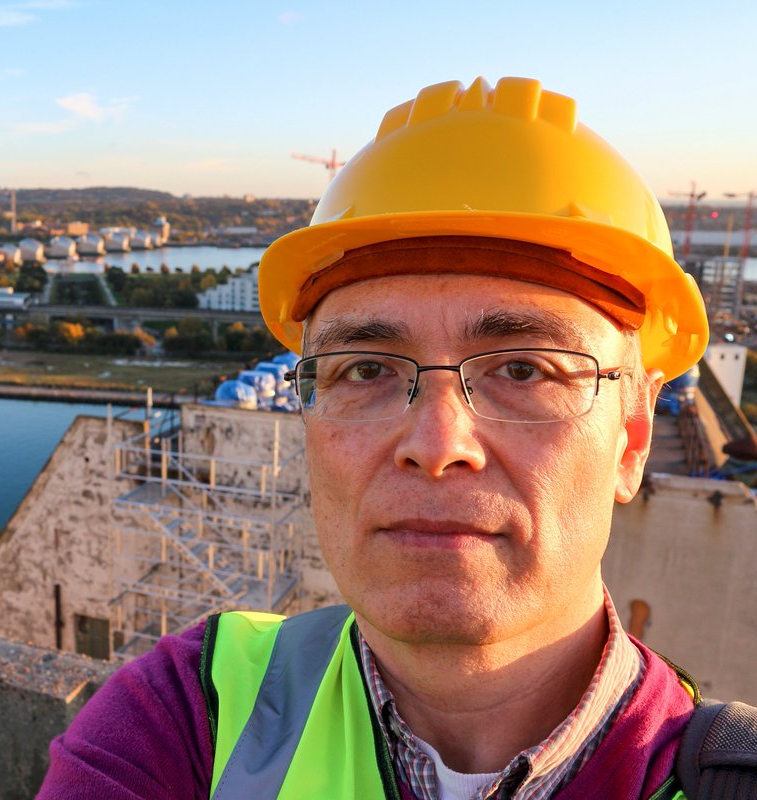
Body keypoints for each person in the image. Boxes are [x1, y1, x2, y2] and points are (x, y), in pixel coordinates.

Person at [37, 77, 742, 799]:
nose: (437, 443)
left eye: (525, 369)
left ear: (630, 437)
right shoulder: (188, 718)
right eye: (366, 368)